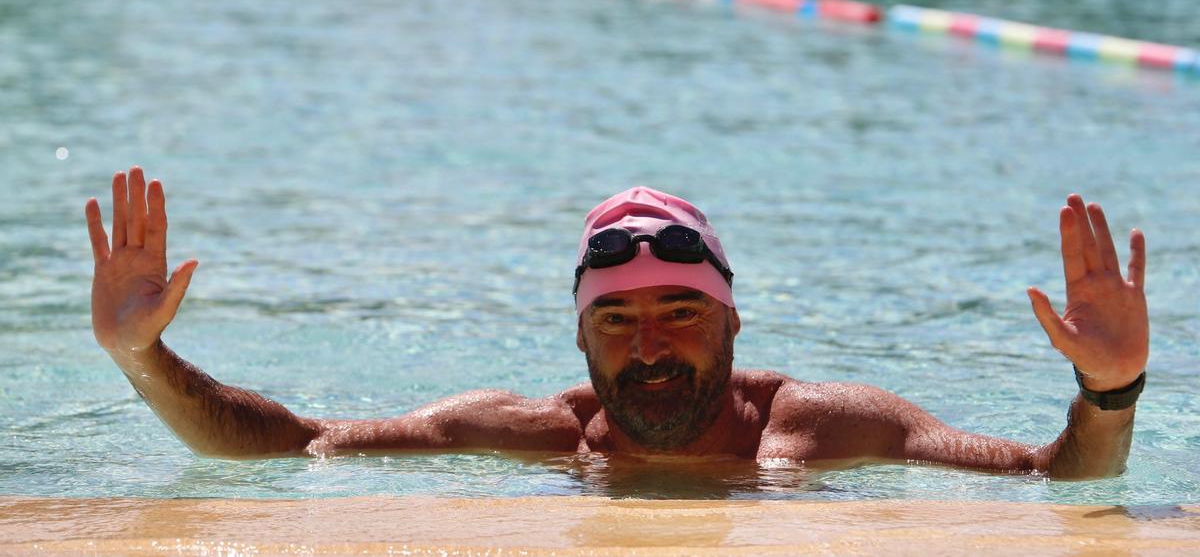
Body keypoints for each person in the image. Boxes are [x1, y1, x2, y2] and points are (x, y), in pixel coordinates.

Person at [84, 167, 1148, 478]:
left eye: (681, 313)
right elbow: (299, 444)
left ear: (732, 321)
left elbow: (1051, 484)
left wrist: (1108, 394)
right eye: (620, 321)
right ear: (580, 338)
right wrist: (144, 356)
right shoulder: (540, 432)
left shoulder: (825, 429)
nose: (649, 346)